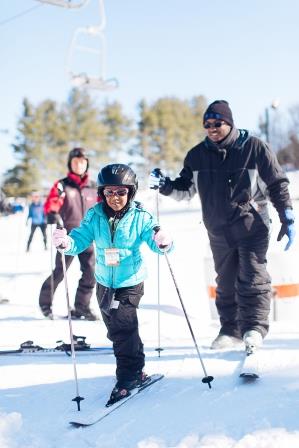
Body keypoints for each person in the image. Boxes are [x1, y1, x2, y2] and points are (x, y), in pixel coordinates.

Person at [149, 99, 295, 351]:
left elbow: (277, 184)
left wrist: (287, 216)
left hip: (252, 225)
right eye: (207, 124)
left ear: (229, 123)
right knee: (225, 283)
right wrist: (166, 186)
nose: (212, 128)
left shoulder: (254, 148)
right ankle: (230, 330)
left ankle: (254, 328)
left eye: (217, 123)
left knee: (252, 277)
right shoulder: (196, 155)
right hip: (218, 230)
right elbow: (185, 190)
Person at [52, 163, 173, 405]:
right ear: (102, 193)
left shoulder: (141, 217)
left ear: (131, 192)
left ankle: (127, 378)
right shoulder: (94, 216)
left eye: (121, 192)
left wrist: (163, 242)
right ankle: (137, 368)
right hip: (104, 282)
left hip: (130, 282)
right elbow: (80, 238)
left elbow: (154, 240)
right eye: (109, 192)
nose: (115, 198)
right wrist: (66, 243)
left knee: (122, 328)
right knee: (116, 330)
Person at [39, 147, 98, 320]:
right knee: (60, 271)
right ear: (70, 164)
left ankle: (82, 307)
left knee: (91, 272)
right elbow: (52, 203)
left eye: (82, 161)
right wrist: (53, 214)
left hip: (87, 236)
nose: (79, 165)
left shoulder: (94, 187)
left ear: (87, 164)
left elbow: (103, 208)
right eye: (75, 162)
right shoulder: (62, 185)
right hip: (68, 237)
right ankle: (45, 304)